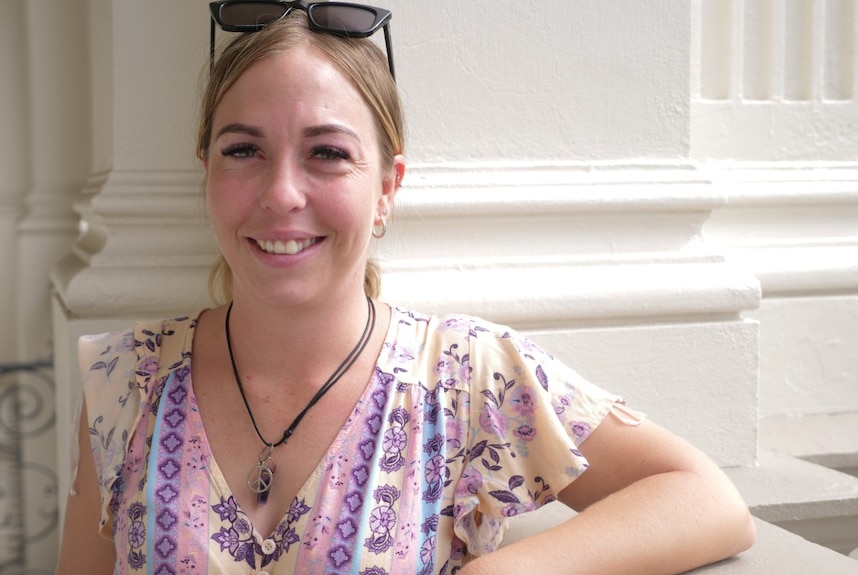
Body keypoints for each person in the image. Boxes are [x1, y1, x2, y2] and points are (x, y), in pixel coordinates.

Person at [57, 3, 755, 574]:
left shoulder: (467, 375)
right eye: (244, 150)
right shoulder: (127, 379)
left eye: (328, 153)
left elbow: (707, 499)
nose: (282, 193)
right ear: (205, 167)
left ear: (386, 187)